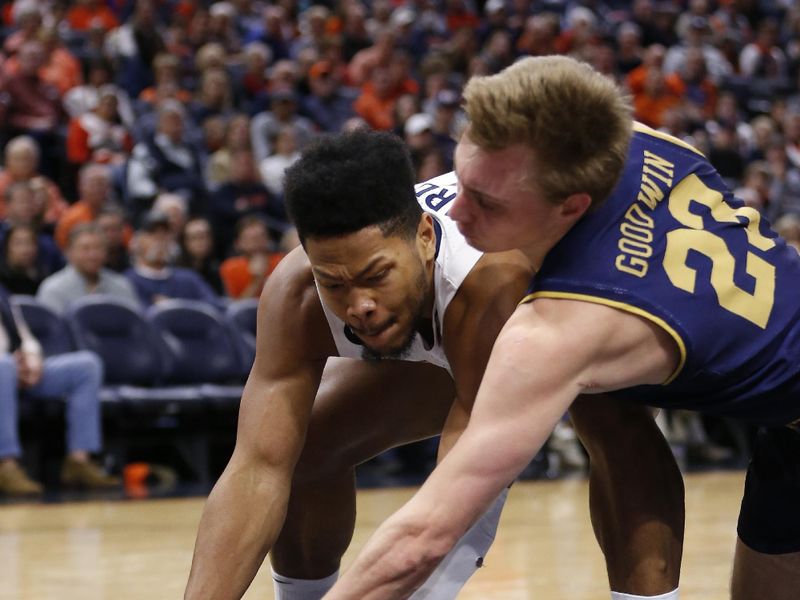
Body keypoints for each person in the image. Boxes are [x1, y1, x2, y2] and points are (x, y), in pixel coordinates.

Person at [324, 55, 800, 600]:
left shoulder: (563, 328)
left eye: (486, 201)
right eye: (462, 179)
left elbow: (426, 534)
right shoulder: (630, 139)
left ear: (570, 207)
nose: (453, 214)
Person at [184, 130, 684, 600]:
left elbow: (467, 495)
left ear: (424, 236)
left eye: (376, 275)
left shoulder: (490, 287)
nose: (358, 304)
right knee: (304, 446)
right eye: (334, 284)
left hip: (609, 269)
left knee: (614, 423)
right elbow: (256, 468)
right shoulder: (295, 293)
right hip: (449, 325)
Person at [0, 283, 120, 495]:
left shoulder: (3, 292)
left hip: (19, 369)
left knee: (86, 365)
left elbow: (24, 334)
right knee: (3, 367)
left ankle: (79, 461)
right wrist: (11, 362)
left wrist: (33, 358)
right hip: (6, 367)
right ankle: (6, 466)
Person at [37, 223, 140, 314]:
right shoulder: (53, 289)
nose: (93, 255)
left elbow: (134, 327)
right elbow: (51, 333)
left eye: (98, 248)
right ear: (69, 252)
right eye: (85, 249)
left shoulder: (121, 285)